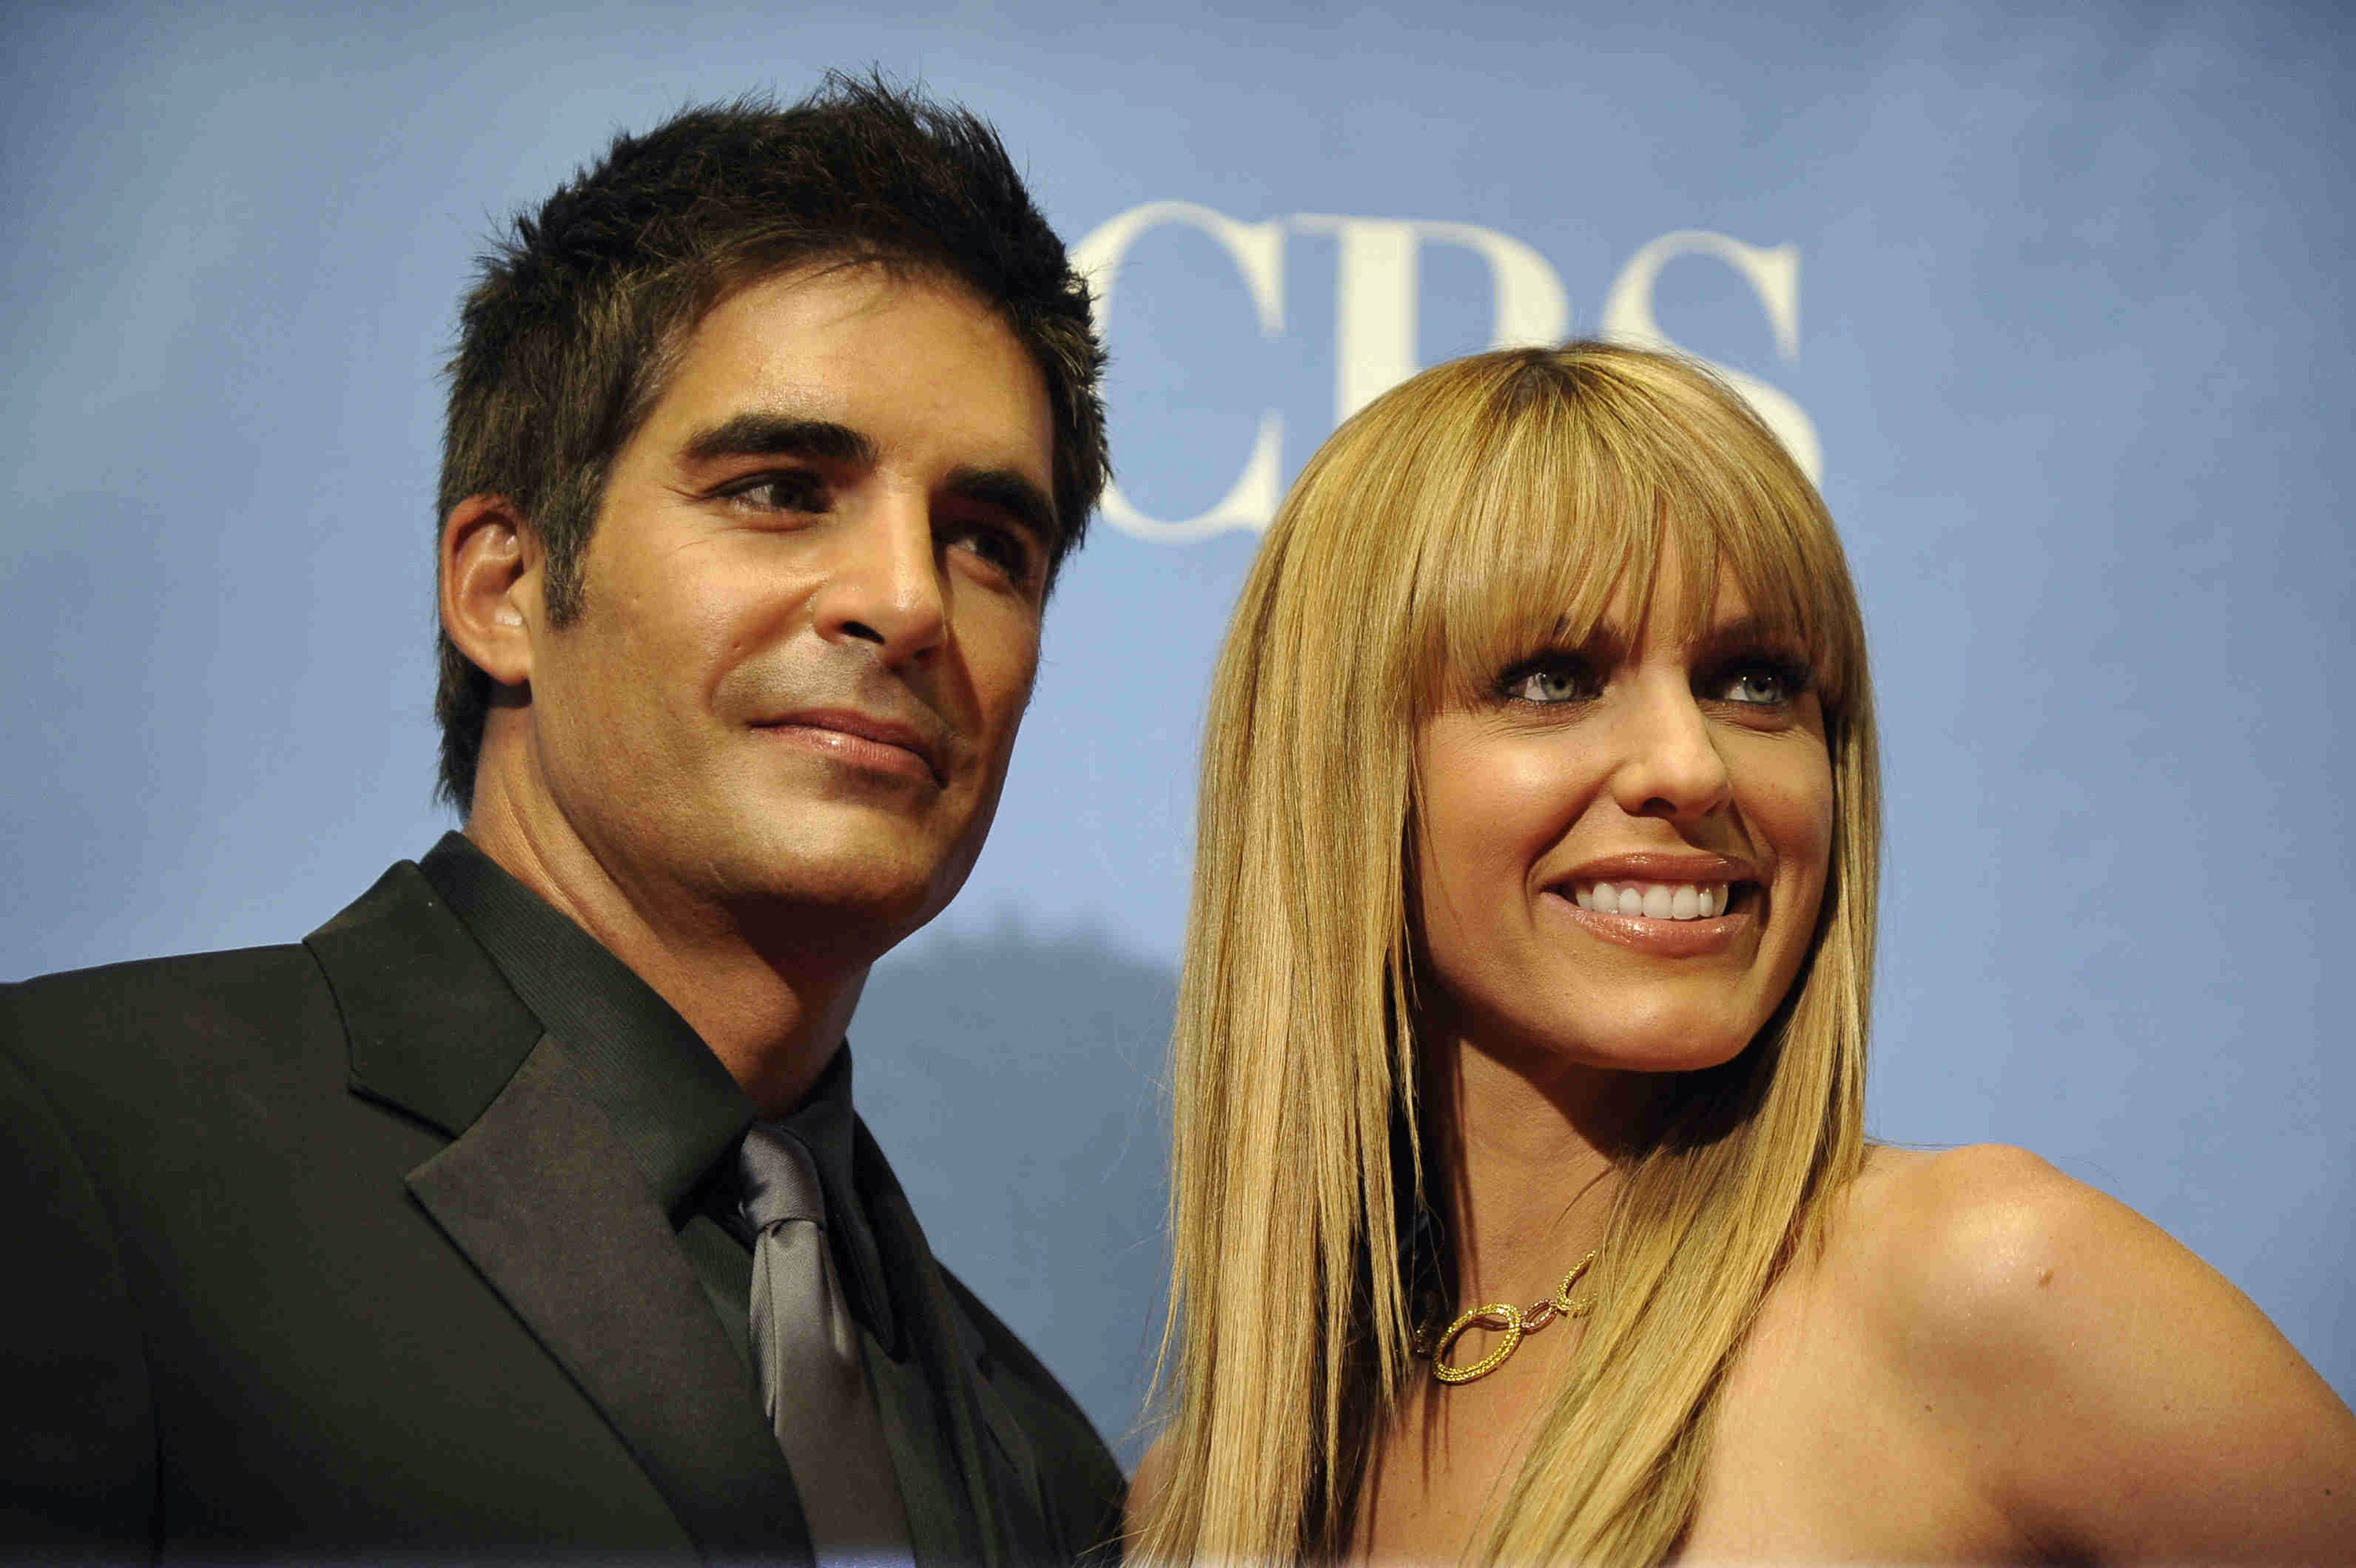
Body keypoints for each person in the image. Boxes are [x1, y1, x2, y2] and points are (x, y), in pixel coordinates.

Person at [0, 78, 1124, 1563]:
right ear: (504, 588)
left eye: (988, 540)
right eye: (784, 489)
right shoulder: (65, 1150)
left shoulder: (1041, 1462)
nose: (909, 600)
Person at [1126, 342, 2356, 1563]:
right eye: (1554, 677)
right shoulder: (1209, 1495)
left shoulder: (1988, 1292)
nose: (1692, 765)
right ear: (1332, 776)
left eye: (1754, 681)